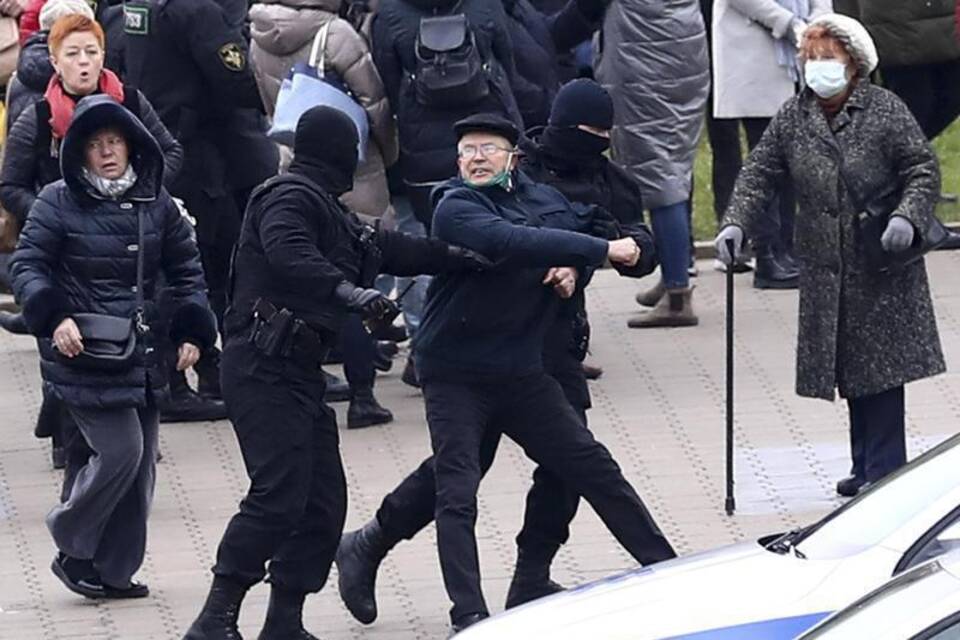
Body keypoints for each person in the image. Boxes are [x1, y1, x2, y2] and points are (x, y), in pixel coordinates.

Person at [335, 85, 662, 627]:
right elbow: (512, 239)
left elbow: (628, 239)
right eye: (469, 149)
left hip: (540, 351)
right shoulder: (463, 197)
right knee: (458, 477)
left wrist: (583, 263)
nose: (478, 157)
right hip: (463, 363)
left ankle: (545, 576)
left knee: (579, 465)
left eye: (488, 148)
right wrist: (587, 252)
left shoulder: (590, 185)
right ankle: (399, 563)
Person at [182, 106, 494, 640]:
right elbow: (289, 252)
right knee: (277, 496)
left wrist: (462, 255)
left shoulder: (330, 209)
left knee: (324, 503)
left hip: (298, 373)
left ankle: (284, 622)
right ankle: (215, 618)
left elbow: (390, 247)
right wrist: (348, 292)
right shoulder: (285, 198)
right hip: (260, 367)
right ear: (338, 154)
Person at [715, 14, 946, 498]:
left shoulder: (884, 109)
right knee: (852, 369)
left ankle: (884, 471)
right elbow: (760, 173)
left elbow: (922, 167)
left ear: (854, 66)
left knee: (882, 372)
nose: (818, 69)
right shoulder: (794, 117)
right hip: (827, 267)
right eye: (812, 59)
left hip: (880, 260)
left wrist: (907, 215)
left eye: (829, 60)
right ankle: (866, 466)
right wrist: (736, 221)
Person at [10, 95, 216, 600]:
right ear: (79, 151)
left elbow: (187, 272)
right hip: (82, 352)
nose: (106, 153)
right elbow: (27, 266)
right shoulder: (56, 200)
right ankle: (71, 541)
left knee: (141, 467)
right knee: (123, 452)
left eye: (115, 142)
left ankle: (111, 570)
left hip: (142, 354)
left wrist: (192, 332)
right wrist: (54, 316)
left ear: (132, 145)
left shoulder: (157, 201)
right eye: (96, 145)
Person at [0, 13, 183, 467]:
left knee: (135, 343)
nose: (84, 63)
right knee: (67, 351)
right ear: (55, 62)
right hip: (64, 256)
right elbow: (9, 184)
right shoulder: (40, 114)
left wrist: (149, 194)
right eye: (73, 54)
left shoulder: (131, 103)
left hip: (130, 249)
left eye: (92, 52)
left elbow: (170, 151)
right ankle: (69, 440)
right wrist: (52, 210)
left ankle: (135, 436)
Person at [248, 0, 401, 426]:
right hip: (351, 164)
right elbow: (375, 103)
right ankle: (363, 395)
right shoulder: (336, 33)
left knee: (313, 279)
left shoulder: (258, 31)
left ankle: (310, 384)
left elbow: (266, 101)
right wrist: (386, 154)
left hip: (294, 159)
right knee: (356, 280)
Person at [122, 0, 268, 421]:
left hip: (159, 143)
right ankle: (180, 377)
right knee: (206, 265)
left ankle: (200, 368)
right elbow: (236, 78)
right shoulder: (195, 9)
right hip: (198, 156)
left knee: (175, 263)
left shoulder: (140, 5)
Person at [594, 0, 710, 328]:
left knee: (661, 177)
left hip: (643, 66)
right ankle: (675, 272)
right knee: (673, 166)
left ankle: (677, 295)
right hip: (682, 51)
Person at [711, 0, 831, 289]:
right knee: (766, 163)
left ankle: (787, 250)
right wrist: (789, 23)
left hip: (801, 60)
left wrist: (818, 23)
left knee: (790, 162)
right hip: (754, 59)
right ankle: (767, 254)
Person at [372, 0, 522, 229]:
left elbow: (387, 76)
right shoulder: (487, 4)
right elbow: (507, 58)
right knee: (500, 215)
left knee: (436, 221)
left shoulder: (389, 11)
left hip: (420, 134)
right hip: (487, 122)